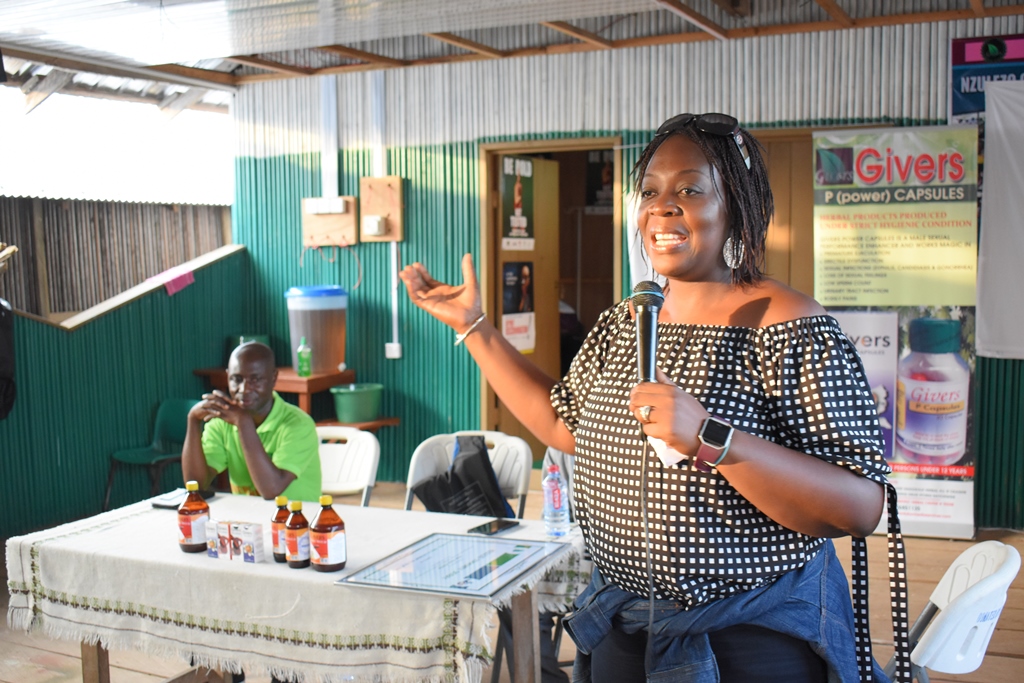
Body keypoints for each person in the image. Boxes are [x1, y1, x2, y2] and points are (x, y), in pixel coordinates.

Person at [400, 113, 897, 682]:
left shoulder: (787, 325)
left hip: (749, 637)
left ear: (735, 205)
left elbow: (859, 506)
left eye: (689, 189)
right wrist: (478, 331)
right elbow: (566, 427)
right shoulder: (630, 318)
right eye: (650, 191)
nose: (663, 206)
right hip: (626, 623)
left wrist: (713, 438)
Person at [182, 341, 321, 501]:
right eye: (236, 379)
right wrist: (192, 421)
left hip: (298, 520)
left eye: (255, 380)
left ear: (274, 378)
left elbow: (271, 490)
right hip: (249, 521)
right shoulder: (222, 422)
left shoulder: (298, 424)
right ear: (227, 377)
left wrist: (243, 423)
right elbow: (196, 485)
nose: (244, 389)